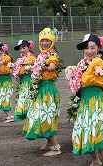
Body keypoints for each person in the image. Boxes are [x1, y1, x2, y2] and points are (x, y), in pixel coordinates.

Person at [65, 34, 103, 166]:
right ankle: (96, 161)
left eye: (93, 48)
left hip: (96, 101)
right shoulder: (82, 64)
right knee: (87, 134)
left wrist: (99, 70)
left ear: (98, 48)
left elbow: (99, 67)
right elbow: (74, 69)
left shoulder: (98, 61)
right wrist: (69, 70)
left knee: (100, 136)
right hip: (85, 102)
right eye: (86, 48)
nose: (89, 51)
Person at [22, 28, 62, 157]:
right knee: (39, 116)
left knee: (45, 117)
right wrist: (32, 69)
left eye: (47, 41)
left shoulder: (52, 55)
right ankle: (50, 143)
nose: (44, 43)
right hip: (40, 88)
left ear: (52, 42)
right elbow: (38, 70)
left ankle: (56, 147)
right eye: (43, 41)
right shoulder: (41, 55)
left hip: (48, 90)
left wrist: (38, 66)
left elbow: (51, 67)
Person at [12, 40, 36, 121]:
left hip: (30, 80)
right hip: (24, 82)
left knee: (29, 100)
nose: (22, 50)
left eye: (24, 47)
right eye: (20, 48)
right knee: (24, 100)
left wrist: (26, 64)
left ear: (29, 48)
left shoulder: (31, 57)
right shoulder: (20, 59)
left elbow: (33, 62)